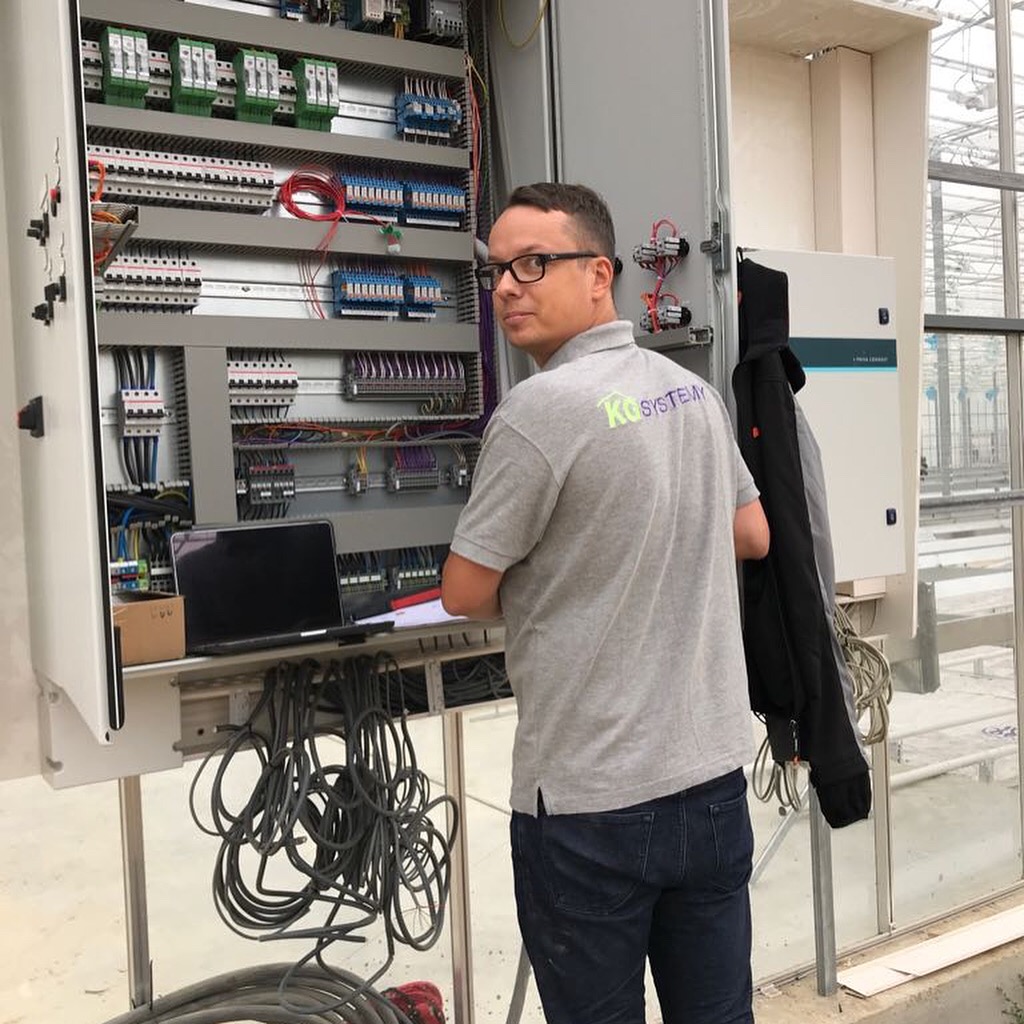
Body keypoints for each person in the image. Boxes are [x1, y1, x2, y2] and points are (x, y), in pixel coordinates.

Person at [440, 182, 769, 1024]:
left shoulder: (538, 411)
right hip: (711, 784)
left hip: (591, 807)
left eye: (533, 262)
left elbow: (463, 592)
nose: (508, 285)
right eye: (497, 270)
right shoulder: (689, 390)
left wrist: (583, 572)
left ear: (600, 274)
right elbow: (752, 533)